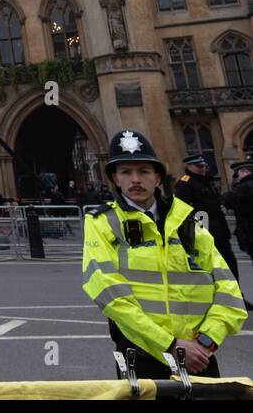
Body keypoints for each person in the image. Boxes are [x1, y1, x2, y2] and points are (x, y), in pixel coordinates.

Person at [82, 129, 246, 380]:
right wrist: (169, 345)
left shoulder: (188, 221)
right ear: (115, 179)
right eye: (126, 172)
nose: (135, 179)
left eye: (144, 171)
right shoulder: (102, 222)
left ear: (157, 178)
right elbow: (109, 294)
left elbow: (228, 289)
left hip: (198, 356)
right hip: (141, 354)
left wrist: (206, 342)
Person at [174, 154, 241, 289]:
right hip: (205, 233)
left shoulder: (206, 181)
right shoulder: (185, 183)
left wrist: (222, 204)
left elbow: (215, 199)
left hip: (220, 232)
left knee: (230, 264)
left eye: (204, 166)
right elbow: (182, 209)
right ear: (189, 167)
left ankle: (237, 294)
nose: (203, 169)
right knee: (214, 269)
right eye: (199, 167)